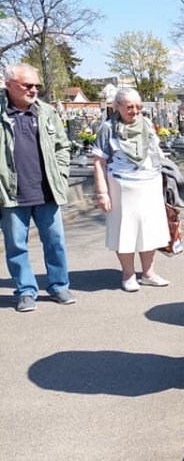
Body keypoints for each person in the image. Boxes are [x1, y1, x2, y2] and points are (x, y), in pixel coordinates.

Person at [0, 63, 74, 313]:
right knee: (16, 246)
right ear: (9, 85)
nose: (34, 90)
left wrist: (61, 176)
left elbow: (62, 147)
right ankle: (25, 291)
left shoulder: (46, 112)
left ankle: (59, 286)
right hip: (12, 194)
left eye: (37, 86)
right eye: (27, 85)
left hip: (47, 192)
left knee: (55, 242)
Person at [92, 88, 170, 292]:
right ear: (117, 107)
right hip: (122, 187)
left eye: (138, 106)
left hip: (150, 183)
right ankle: (128, 275)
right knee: (125, 231)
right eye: (129, 107)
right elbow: (99, 161)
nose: (135, 111)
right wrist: (102, 193)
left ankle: (148, 274)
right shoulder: (108, 128)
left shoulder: (146, 124)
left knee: (149, 230)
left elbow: (155, 151)